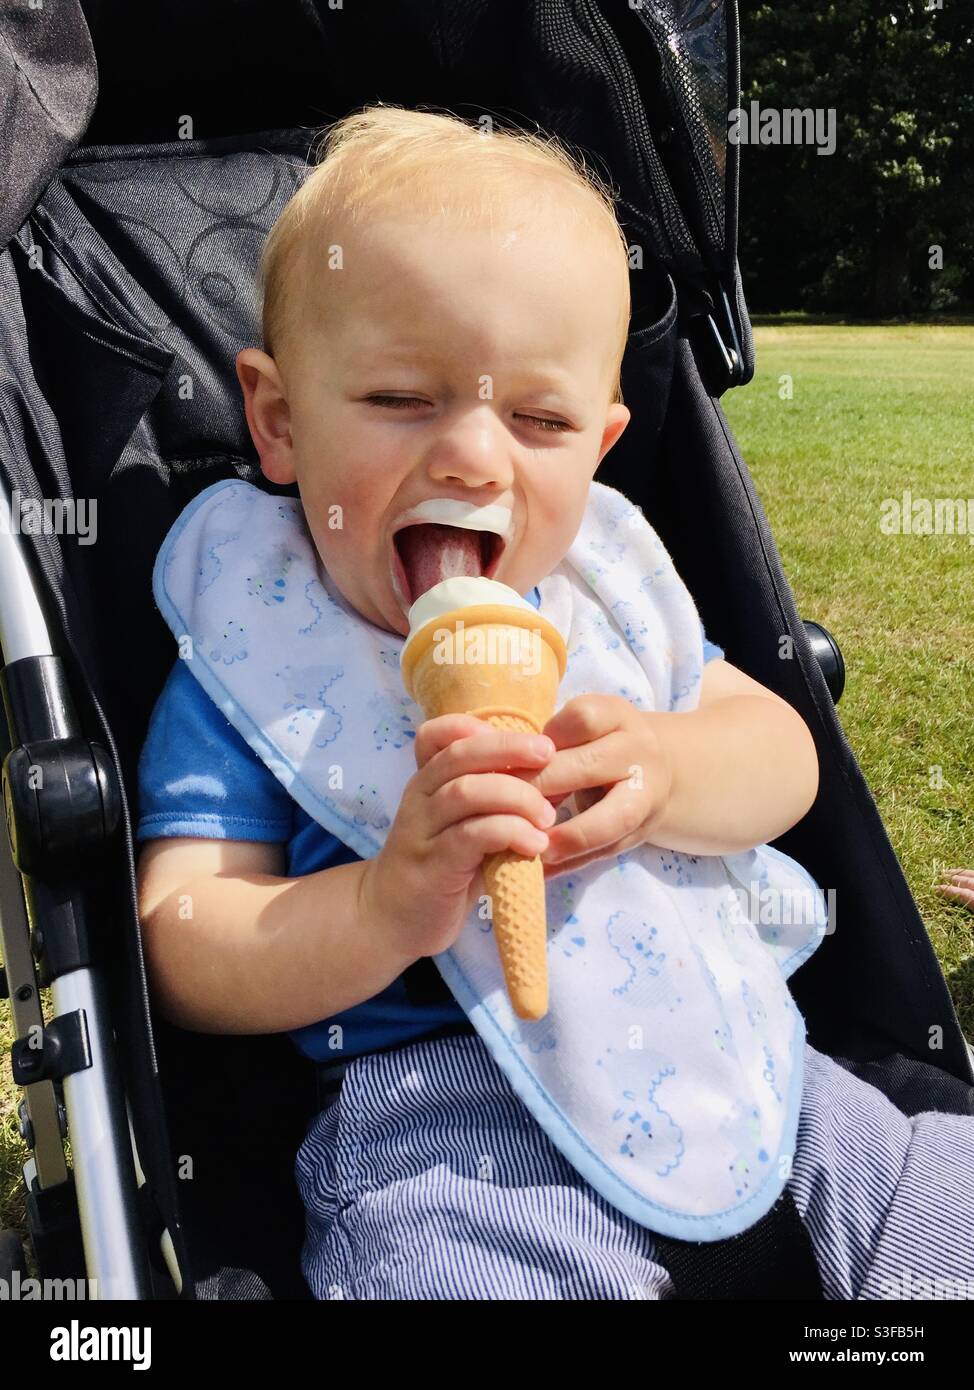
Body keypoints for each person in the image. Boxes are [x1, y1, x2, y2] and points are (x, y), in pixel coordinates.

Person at [135, 105, 974, 1301]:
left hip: (750, 1077)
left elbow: (783, 751)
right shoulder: (257, 650)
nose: (476, 457)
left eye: (538, 421)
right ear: (277, 420)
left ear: (600, 445)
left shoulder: (606, 597)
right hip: (449, 1140)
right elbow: (182, 936)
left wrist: (673, 768)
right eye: (400, 399)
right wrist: (380, 905)